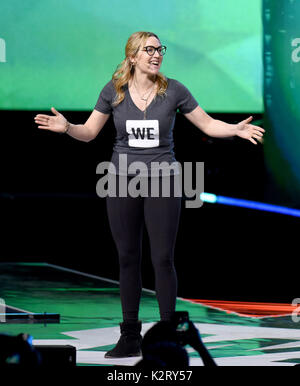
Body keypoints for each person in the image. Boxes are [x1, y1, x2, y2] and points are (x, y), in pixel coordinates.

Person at [34, 31, 265, 359]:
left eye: (160, 50)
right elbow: (89, 132)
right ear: (132, 57)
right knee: (128, 257)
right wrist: (68, 127)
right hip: (121, 181)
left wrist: (235, 129)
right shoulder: (113, 92)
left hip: (164, 181)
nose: (156, 55)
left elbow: (208, 124)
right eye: (149, 50)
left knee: (162, 258)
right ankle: (130, 335)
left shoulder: (174, 91)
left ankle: (169, 334)